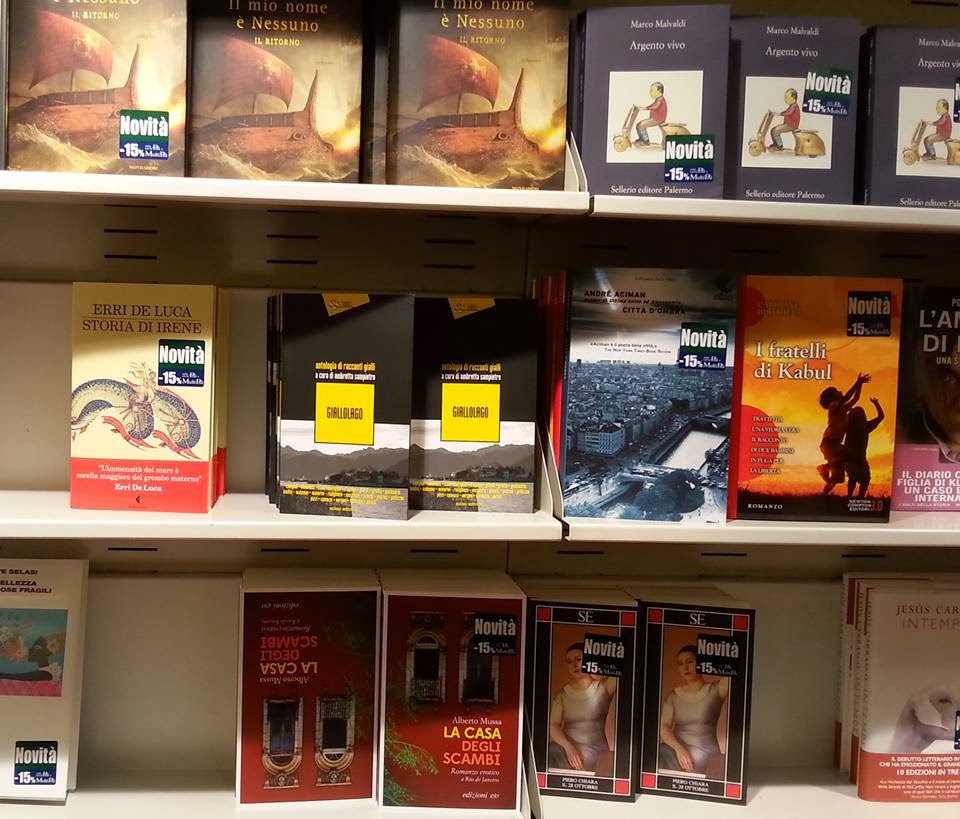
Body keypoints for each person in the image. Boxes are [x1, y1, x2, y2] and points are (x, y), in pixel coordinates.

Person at [658, 644, 729, 775]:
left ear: (701, 662)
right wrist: (679, 749)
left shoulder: (717, 689)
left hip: (707, 757)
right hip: (678, 754)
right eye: (680, 664)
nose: (685, 667)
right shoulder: (673, 696)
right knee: (659, 752)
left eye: (690, 661)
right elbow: (664, 727)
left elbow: (733, 668)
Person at [548, 642, 617, 773]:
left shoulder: (604, 686)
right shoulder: (563, 694)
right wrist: (569, 748)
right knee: (551, 751)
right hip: (567, 752)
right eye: (569, 662)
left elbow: (623, 669)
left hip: (596, 752)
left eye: (579, 659)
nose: (574, 665)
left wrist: (600, 671)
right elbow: (553, 725)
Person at [817, 373, 870, 495]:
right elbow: (847, 397)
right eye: (836, 391)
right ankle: (825, 467)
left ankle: (824, 495)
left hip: (833, 444)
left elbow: (855, 399)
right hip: (830, 443)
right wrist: (857, 383)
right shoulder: (833, 406)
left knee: (837, 478)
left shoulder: (842, 409)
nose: (840, 391)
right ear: (831, 398)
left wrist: (860, 385)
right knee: (851, 455)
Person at [844, 398, 884, 499]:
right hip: (854, 457)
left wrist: (876, 403)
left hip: (852, 457)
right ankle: (857, 497)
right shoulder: (864, 426)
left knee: (856, 478)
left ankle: (853, 497)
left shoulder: (850, 425)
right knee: (861, 478)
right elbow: (881, 416)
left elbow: (881, 417)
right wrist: (876, 403)